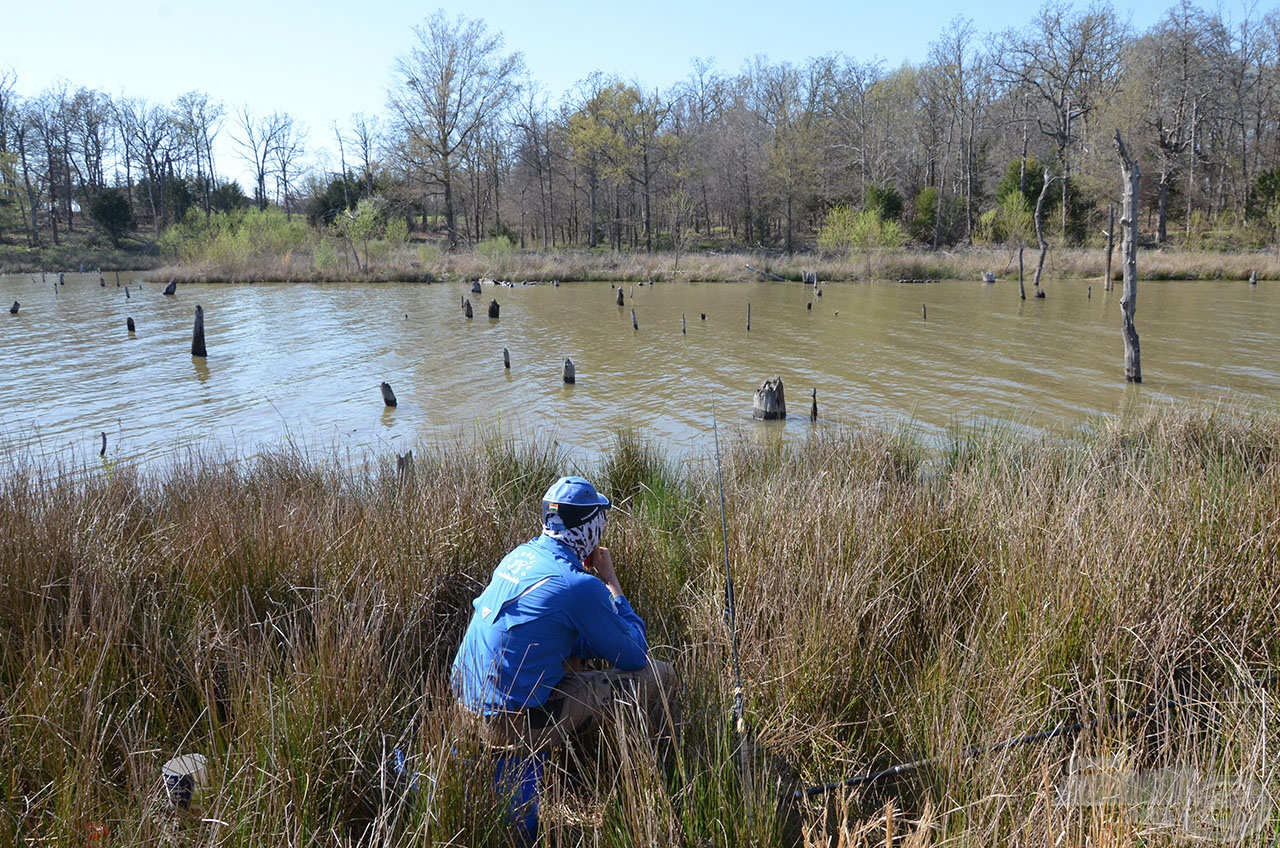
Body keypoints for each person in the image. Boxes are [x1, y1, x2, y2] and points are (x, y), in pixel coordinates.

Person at [452, 476, 674, 749]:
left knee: (576, 657)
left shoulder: (519, 556)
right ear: (590, 526)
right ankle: (656, 760)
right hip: (512, 730)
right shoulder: (577, 584)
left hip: (465, 713)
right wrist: (611, 582)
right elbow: (634, 654)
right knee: (660, 675)